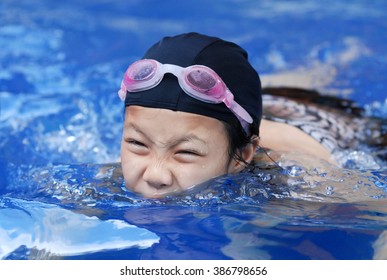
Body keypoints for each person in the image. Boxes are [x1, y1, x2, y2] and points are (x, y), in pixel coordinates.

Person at [118, 32, 385, 198]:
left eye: (185, 153)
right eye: (137, 144)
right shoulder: (153, 140)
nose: (155, 176)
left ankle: (341, 59)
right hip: (245, 107)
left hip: (321, 114)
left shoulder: (306, 180)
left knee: (317, 80)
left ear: (243, 157)